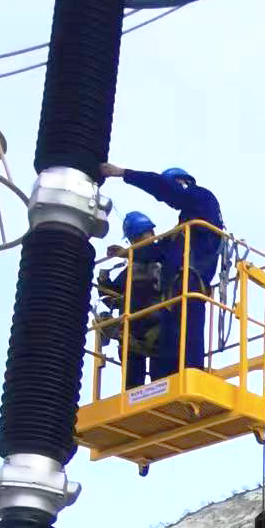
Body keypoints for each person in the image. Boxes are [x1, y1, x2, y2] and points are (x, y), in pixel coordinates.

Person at [101, 162, 223, 371]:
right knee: (167, 356)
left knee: (187, 348)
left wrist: (123, 173)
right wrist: (126, 253)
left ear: (182, 183)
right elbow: (156, 251)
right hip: (172, 295)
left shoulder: (203, 198)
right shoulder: (182, 232)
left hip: (190, 285)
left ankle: (190, 376)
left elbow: (166, 189)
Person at [97, 212, 171, 389]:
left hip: (158, 330)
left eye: (139, 237)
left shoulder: (163, 254)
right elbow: (114, 293)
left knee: (160, 384)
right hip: (133, 333)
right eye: (133, 240)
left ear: (152, 233)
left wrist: (126, 254)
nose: (136, 242)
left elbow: (149, 252)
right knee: (132, 388)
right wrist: (104, 282)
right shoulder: (132, 267)